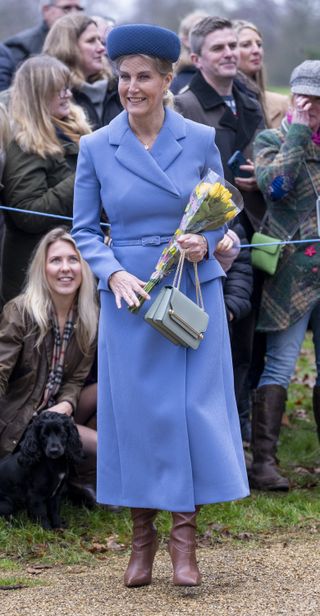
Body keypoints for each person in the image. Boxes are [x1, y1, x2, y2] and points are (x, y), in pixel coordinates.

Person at [72, 23, 249, 588]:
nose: (131, 87)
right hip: (132, 300)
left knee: (187, 415)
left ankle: (185, 545)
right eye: (123, 77)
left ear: (168, 79)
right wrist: (112, 272)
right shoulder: (96, 146)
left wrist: (208, 238)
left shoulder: (198, 139)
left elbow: (222, 211)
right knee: (137, 419)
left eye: (143, 76)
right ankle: (140, 542)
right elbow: (83, 232)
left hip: (190, 291)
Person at [174, 16, 265, 441]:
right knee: (213, 342)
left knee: (247, 342)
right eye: (218, 48)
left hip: (255, 232)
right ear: (196, 58)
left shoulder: (248, 99)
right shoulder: (186, 105)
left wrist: (260, 176)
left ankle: (243, 437)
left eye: (233, 45)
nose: (230, 53)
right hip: (210, 239)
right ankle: (211, 436)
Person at [250, 60, 320, 491]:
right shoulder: (271, 139)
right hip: (292, 272)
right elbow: (276, 187)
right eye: (306, 100)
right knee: (280, 363)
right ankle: (264, 464)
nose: (314, 108)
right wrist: (297, 131)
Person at [0, 227, 98, 502]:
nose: (65, 268)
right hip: (22, 418)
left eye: (73, 259)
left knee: (108, 390)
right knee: (102, 446)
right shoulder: (20, 312)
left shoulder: (89, 317)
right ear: (42, 268)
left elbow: (76, 380)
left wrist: (66, 404)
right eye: (56, 260)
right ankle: (78, 479)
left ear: (84, 267)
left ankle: (76, 479)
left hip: (57, 411)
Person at [0, 54, 91, 303]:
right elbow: (27, 213)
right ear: (38, 94)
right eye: (59, 90)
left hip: (68, 269)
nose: (68, 95)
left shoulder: (72, 129)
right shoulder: (25, 142)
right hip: (35, 277)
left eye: (68, 88)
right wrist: (85, 176)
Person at [43, 14, 122, 130]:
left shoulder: (118, 88)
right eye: (91, 41)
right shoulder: (52, 97)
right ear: (67, 47)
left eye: (100, 41)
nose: (102, 49)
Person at [3, 0, 86, 76]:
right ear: (46, 10)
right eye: (67, 8)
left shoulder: (86, 44)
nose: (74, 13)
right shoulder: (21, 46)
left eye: (79, 9)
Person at [232, 20, 289, 129]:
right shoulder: (224, 101)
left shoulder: (281, 104)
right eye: (246, 45)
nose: (256, 50)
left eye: (259, 44)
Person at [170, 10, 209, 95]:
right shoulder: (177, 85)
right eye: (201, 32)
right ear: (186, 40)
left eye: (211, 32)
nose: (208, 37)